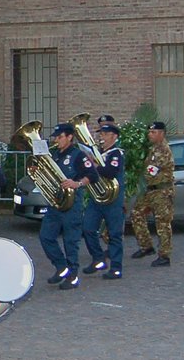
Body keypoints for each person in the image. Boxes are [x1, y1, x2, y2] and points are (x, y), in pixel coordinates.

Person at [38, 123, 93, 289]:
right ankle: (62, 267)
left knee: (71, 241)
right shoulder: (54, 155)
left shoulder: (78, 155)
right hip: (56, 203)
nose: (57, 139)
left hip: (72, 204)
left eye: (60, 136)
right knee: (46, 236)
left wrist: (77, 183)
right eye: (56, 136)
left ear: (69, 137)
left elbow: (92, 175)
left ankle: (73, 275)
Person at [82, 123, 127, 279]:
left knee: (114, 234)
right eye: (101, 134)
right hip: (97, 198)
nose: (101, 136)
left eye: (105, 134)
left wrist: (94, 165)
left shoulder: (116, 154)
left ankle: (116, 267)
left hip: (113, 200)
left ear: (114, 136)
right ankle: (98, 258)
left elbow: (110, 172)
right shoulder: (98, 153)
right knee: (87, 228)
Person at [129, 122, 175, 267]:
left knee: (162, 222)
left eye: (153, 132)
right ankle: (146, 246)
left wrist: (137, 169)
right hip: (150, 190)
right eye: (149, 132)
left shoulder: (163, 150)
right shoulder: (152, 148)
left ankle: (164, 255)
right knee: (136, 213)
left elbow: (152, 170)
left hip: (162, 191)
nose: (150, 134)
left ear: (162, 133)